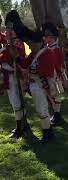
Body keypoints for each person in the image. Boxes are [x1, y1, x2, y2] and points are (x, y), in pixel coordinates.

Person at [19, 28, 56, 143]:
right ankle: (48, 132)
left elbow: (48, 71)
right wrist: (16, 57)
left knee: (42, 110)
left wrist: (33, 72)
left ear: (39, 43)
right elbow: (25, 64)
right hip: (35, 85)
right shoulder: (34, 53)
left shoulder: (47, 53)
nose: (29, 47)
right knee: (41, 109)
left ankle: (47, 134)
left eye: (31, 44)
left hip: (41, 85)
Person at [0, 10, 28, 138]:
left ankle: (20, 127)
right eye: (7, 28)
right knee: (16, 102)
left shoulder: (17, 44)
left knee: (17, 102)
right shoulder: (10, 43)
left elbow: (18, 60)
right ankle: (23, 125)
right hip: (10, 76)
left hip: (15, 76)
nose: (7, 31)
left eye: (10, 28)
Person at [42, 22, 65, 125]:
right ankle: (56, 114)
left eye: (50, 36)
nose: (48, 38)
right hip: (48, 75)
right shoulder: (47, 48)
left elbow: (57, 63)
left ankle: (57, 115)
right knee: (51, 96)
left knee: (55, 96)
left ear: (54, 37)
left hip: (54, 75)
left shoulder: (55, 49)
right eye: (46, 36)